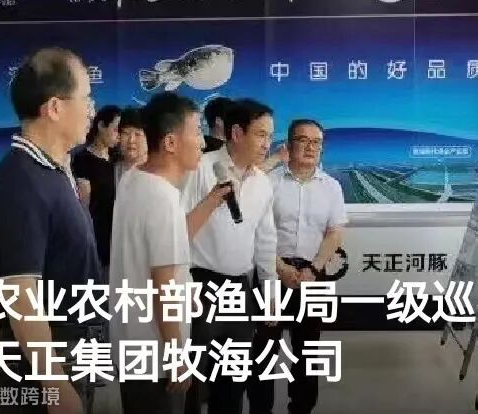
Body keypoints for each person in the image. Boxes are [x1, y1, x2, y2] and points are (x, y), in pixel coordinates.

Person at [0, 47, 98, 414]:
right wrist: (56, 386)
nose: (92, 110)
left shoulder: (54, 169)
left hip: (71, 352)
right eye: (86, 98)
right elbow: (21, 296)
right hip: (41, 370)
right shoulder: (19, 182)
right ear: (55, 108)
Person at [109, 91, 231, 414]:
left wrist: (212, 201)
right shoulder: (162, 198)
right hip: (156, 356)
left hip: (131, 345)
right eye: (196, 132)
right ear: (171, 142)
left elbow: (163, 248)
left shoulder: (133, 179)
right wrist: (177, 357)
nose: (202, 143)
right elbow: (162, 285)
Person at [181, 98, 278, 414]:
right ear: (236, 133)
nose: (267, 144)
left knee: (232, 385)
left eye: (269, 136)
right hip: (200, 286)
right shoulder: (201, 168)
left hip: (239, 290)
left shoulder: (262, 183)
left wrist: (270, 294)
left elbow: (265, 242)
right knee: (194, 384)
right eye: (260, 134)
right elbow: (177, 232)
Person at [249, 119, 347, 414]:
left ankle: (302, 407)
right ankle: (261, 409)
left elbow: (335, 232)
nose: (310, 147)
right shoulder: (269, 182)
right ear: (289, 145)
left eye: (316, 142)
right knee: (264, 350)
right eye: (303, 140)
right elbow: (253, 229)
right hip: (271, 274)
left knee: (308, 350)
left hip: (312, 277)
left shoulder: (331, 187)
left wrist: (313, 269)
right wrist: (279, 267)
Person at [72, 104, 121, 270]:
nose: (119, 136)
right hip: (98, 238)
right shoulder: (83, 159)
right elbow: (84, 205)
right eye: (115, 129)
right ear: (101, 125)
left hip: (119, 236)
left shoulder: (117, 158)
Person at [114, 106, 148, 185]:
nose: (131, 140)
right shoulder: (111, 170)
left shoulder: (157, 173)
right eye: (126, 133)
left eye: (137, 134)